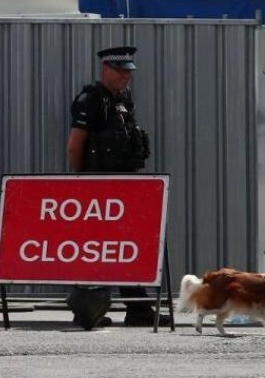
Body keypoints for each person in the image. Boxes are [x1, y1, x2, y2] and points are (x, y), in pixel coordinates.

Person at [64, 45, 170, 329]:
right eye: (121, 71)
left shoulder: (123, 99)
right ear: (106, 69)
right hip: (98, 186)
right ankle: (87, 310)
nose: (126, 77)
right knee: (95, 249)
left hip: (125, 186)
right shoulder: (91, 100)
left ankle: (139, 310)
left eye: (129, 72)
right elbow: (75, 145)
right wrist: (84, 181)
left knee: (126, 247)